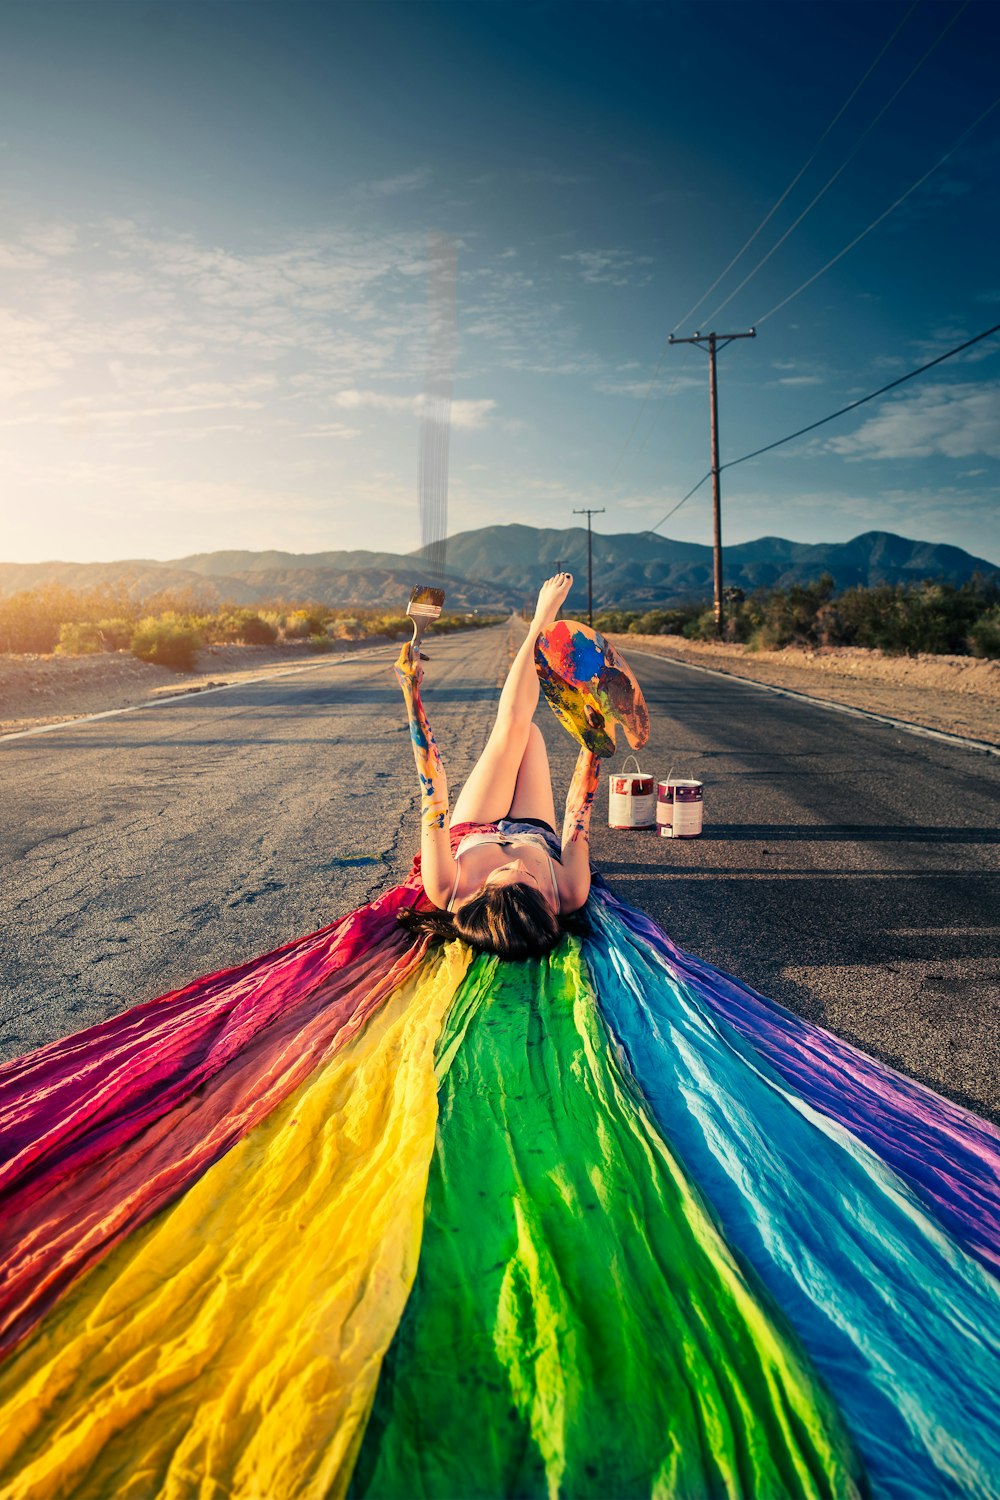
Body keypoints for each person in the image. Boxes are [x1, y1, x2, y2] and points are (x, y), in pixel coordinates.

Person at [394, 571, 599, 959]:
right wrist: (593, 744)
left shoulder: (446, 888)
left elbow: (432, 795)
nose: (523, 868)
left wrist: (411, 694)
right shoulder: (568, 892)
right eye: (532, 881)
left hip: (474, 827)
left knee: (513, 729)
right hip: (536, 831)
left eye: (508, 876)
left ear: (481, 896)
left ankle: (541, 621)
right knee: (531, 734)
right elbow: (578, 814)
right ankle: (538, 633)